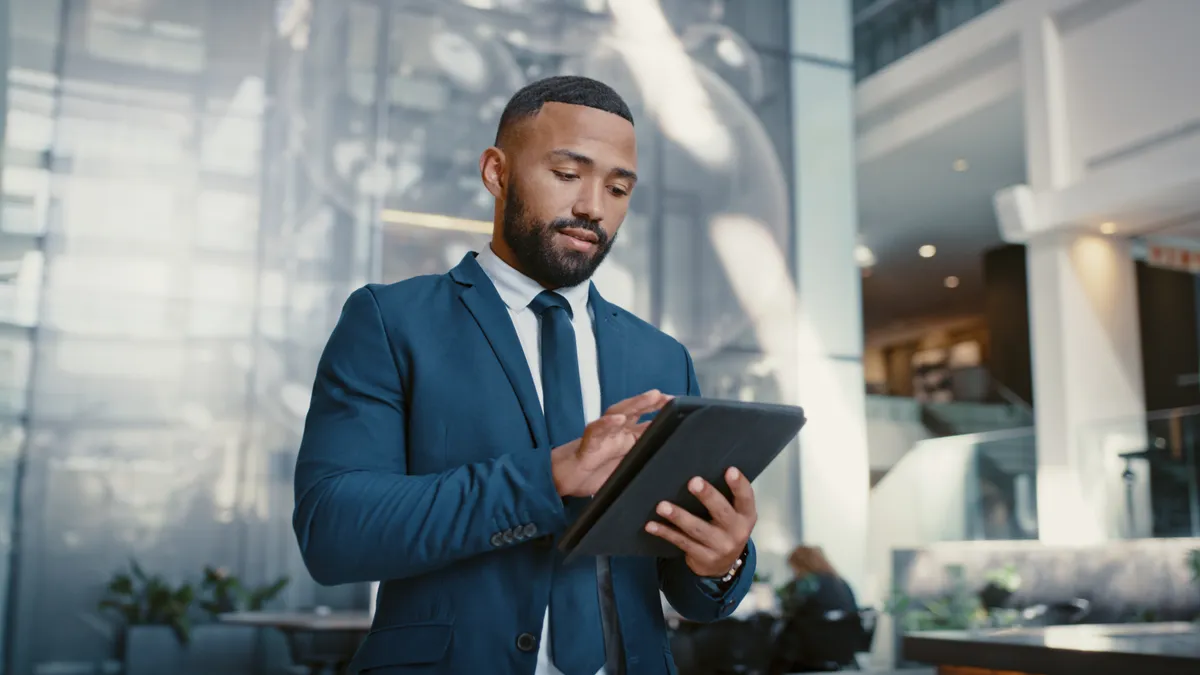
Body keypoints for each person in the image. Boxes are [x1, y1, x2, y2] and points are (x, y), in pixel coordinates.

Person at [293, 75, 758, 675]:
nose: (593, 206)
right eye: (568, 175)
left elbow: (686, 587)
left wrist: (719, 558)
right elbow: (334, 530)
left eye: (618, 188)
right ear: (496, 172)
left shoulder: (664, 358)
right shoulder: (391, 321)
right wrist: (549, 475)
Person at [769, 546, 862, 674]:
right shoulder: (841, 583)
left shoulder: (808, 583)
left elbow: (788, 609)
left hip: (810, 651)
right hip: (843, 651)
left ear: (800, 565)